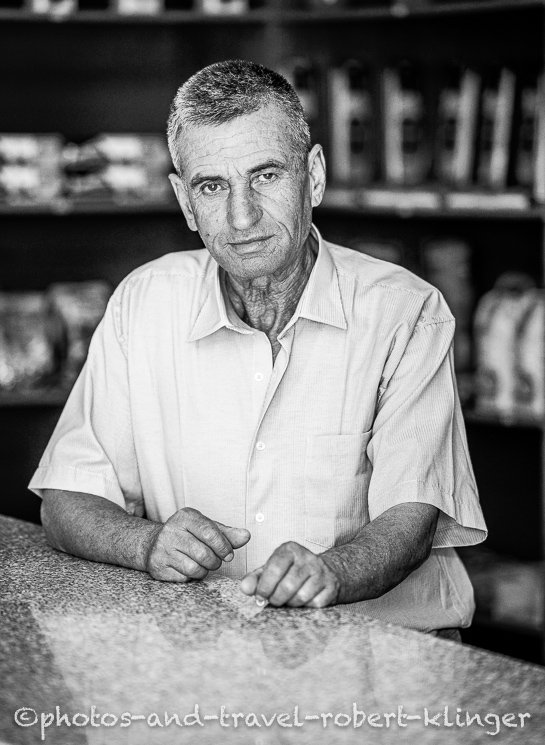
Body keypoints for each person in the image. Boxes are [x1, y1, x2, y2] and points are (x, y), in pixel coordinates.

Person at [29, 60, 486, 634]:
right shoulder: (144, 303)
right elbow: (66, 500)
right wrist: (146, 543)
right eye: (213, 186)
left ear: (313, 177)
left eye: (265, 175)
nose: (242, 216)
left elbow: (413, 517)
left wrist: (332, 573)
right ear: (185, 203)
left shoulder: (404, 312)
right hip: (210, 661)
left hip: (390, 657)